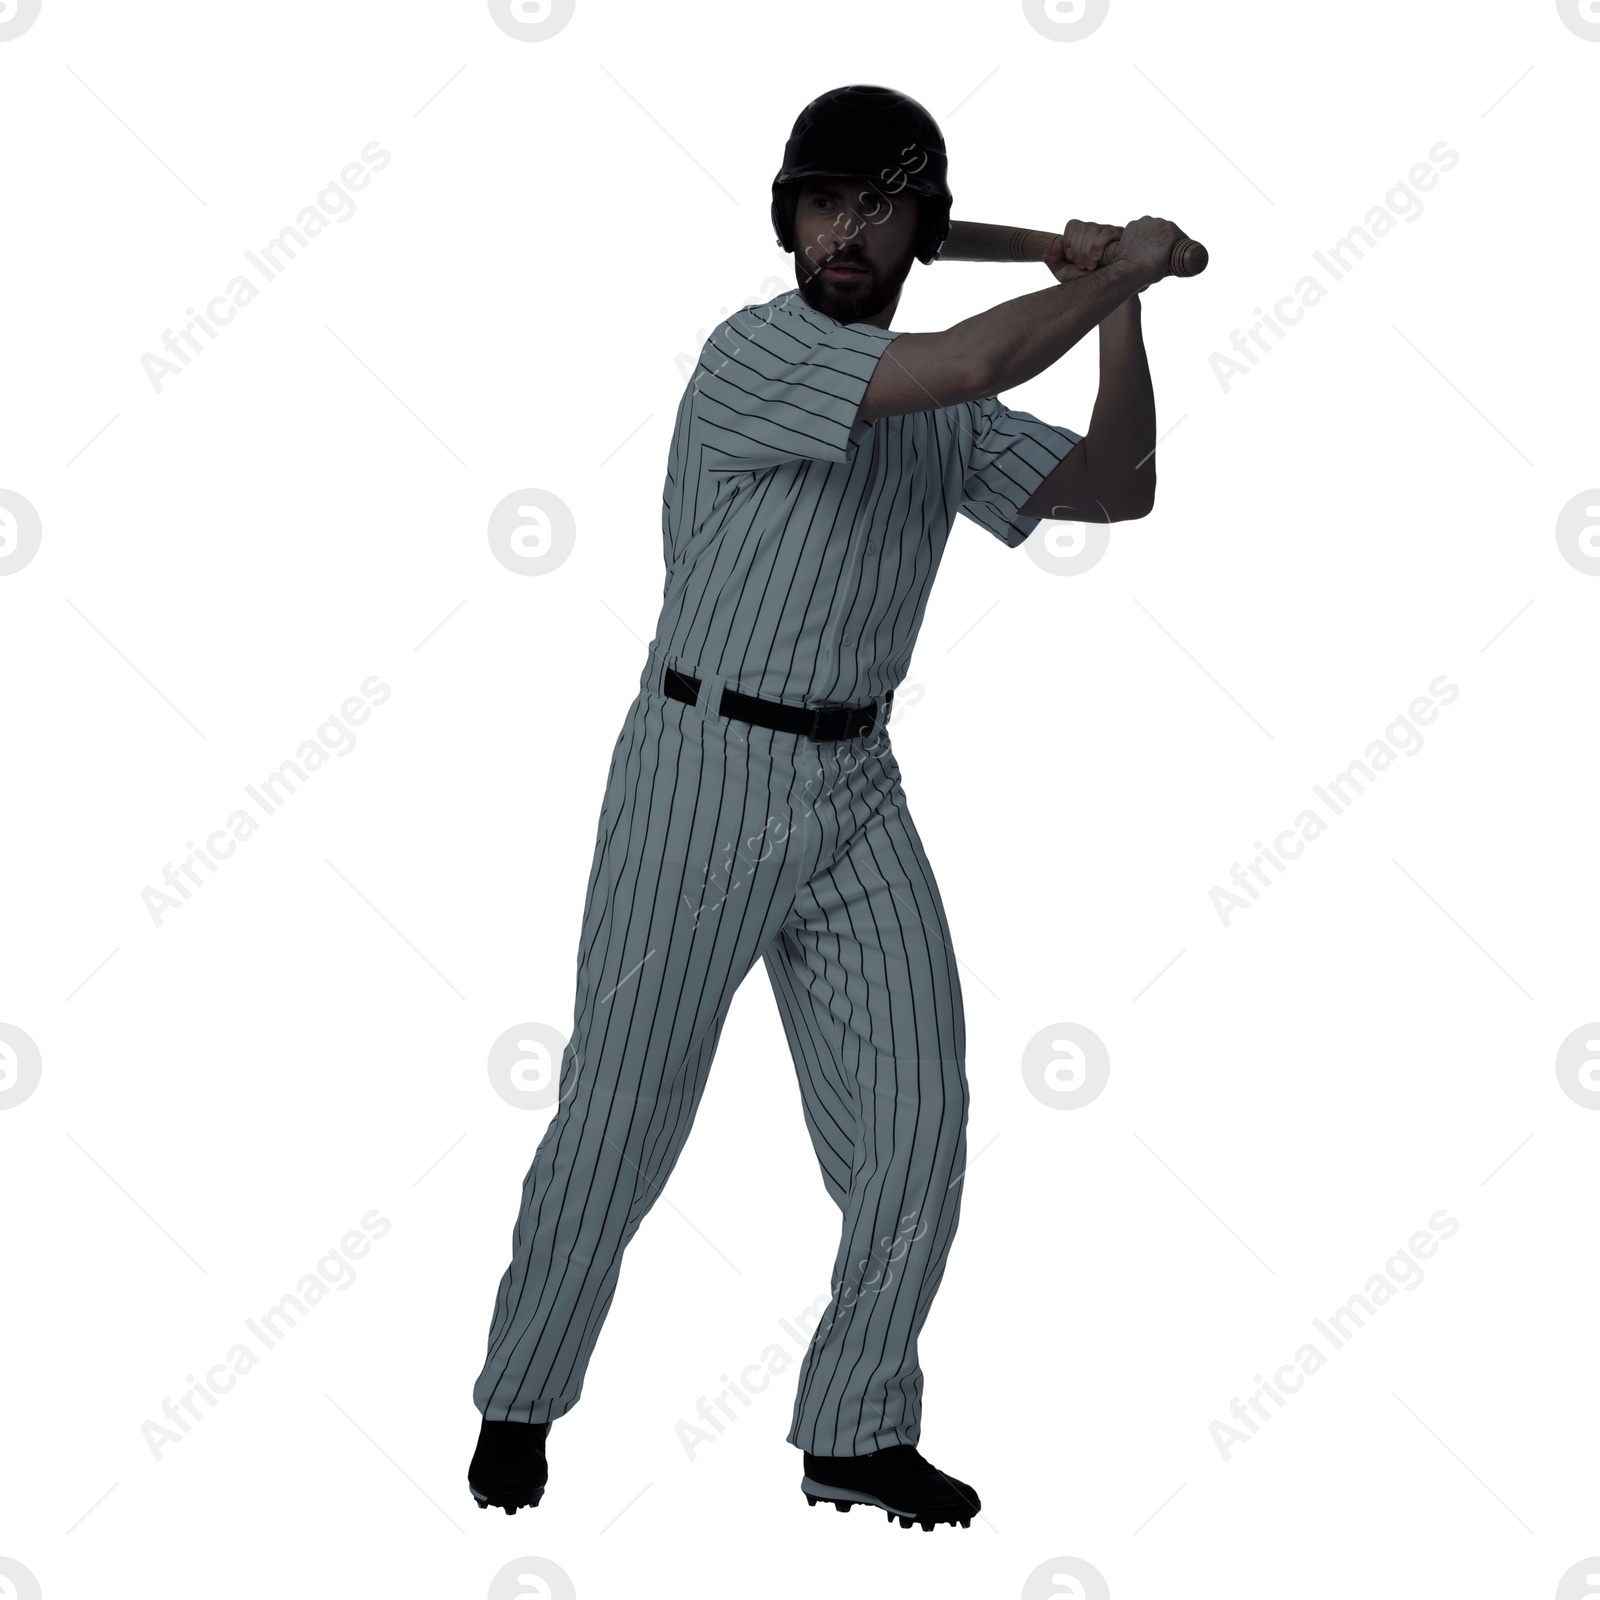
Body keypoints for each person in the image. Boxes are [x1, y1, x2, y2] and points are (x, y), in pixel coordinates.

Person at [467, 83, 1185, 1532]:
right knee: (626, 1112)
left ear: (920, 231)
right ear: (787, 215)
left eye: (879, 210)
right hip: (701, 769)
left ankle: (853, 1428)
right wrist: (1116, 261)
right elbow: (971, 348)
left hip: (857, 784)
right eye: (824, 204)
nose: (845, 233)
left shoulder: (949, 405)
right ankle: (521, 1400)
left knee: (919, 1118)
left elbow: (1120, 488)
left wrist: (1122, 311)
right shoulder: (759, 352)